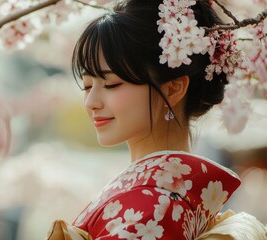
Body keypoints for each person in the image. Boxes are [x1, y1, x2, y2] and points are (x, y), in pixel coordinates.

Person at [46, 0, 267, 239]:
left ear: (173, 89)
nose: (91, 102)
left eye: (111, 84)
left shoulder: (149, 210)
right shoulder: (167, 199)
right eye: (87, 86)